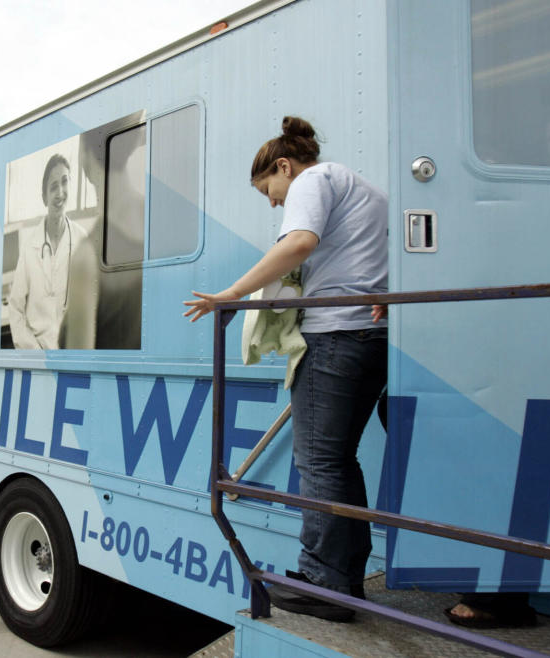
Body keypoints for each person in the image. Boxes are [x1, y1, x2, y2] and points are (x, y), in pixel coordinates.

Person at [184, 117, 388, 622]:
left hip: (335, 335)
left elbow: (297, 243)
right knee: (340, 461)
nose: (274, 202)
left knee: (319, 462)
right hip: (371, 337)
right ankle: (343, 580)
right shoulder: (365, 190)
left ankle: (323, 583)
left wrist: (233, 293)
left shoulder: (313, 180)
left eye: (269, 191)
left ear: (284, 166)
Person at [8, 153, 98, 350]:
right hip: (38, 354)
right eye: (53, 186)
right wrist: (36, 354)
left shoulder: (82, 240)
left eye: (65, 182)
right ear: (44, 197)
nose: (60, 192)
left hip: (71, 354)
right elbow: (15, 310)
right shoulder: (30, 246)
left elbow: (91, 306)